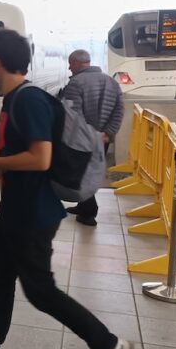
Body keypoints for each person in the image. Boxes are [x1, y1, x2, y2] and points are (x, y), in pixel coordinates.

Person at [0, 29, 133, 349]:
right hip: (13, 210)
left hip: (33, 215)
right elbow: (8, 147)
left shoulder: (29, 100)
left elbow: (40, 158)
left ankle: (108, 346)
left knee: (40, 291)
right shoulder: (13, 100)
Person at [60, 49, 124, 226]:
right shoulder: (111, 82)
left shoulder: (76, 83)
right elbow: (119, 110)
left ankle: (88, 212)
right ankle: (83, 206)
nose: (69, 67)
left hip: (84, 139)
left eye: (70, 64)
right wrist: (108, 133)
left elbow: (74, 115)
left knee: (82, 172)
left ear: (76, 63)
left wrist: (89, 136)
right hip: (102, 138)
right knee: (92, 170)